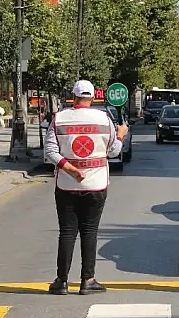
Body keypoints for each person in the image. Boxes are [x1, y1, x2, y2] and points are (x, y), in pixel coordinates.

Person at [44, 79, 128, 296]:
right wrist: (120, 135)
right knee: (90, 231)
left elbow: (51, 151)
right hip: (96, 183)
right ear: (92, 97)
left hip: (66, 185)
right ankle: (87, 280)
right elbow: (113, 151)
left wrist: (69, 168)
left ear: (73, 96)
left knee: (67, 232)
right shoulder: (103, 119)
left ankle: (61, 281)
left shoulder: (59, 118)